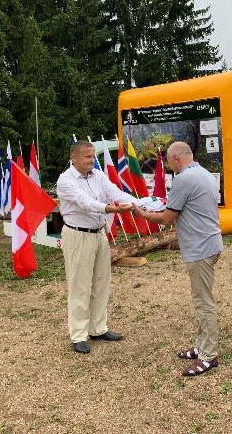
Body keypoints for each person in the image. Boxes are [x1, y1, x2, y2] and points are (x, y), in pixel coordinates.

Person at [135, 142, 223, 376]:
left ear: (175, 158)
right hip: (208, 243)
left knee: (203, 302)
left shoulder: (184, 179)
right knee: (200, 298)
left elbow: (167, 218)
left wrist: (143, 214)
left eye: (168, 161)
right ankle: (201, 345)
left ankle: (209, 355)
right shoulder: (203, 173)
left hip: (200, 247)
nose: (168, 165)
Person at [57, 140, 140, 354]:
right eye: (87, 157)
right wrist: (110, 209)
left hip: (99, 234)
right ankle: (78, 334)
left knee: (101, 282)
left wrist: (139, 203)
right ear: (74, 158)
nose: (92, 160)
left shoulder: (98, 175)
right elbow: (85, 203)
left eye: (93, 156)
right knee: (80, 286)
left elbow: (115, 192)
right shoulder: (66, 180)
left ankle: (98, 328)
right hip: (78, 236)